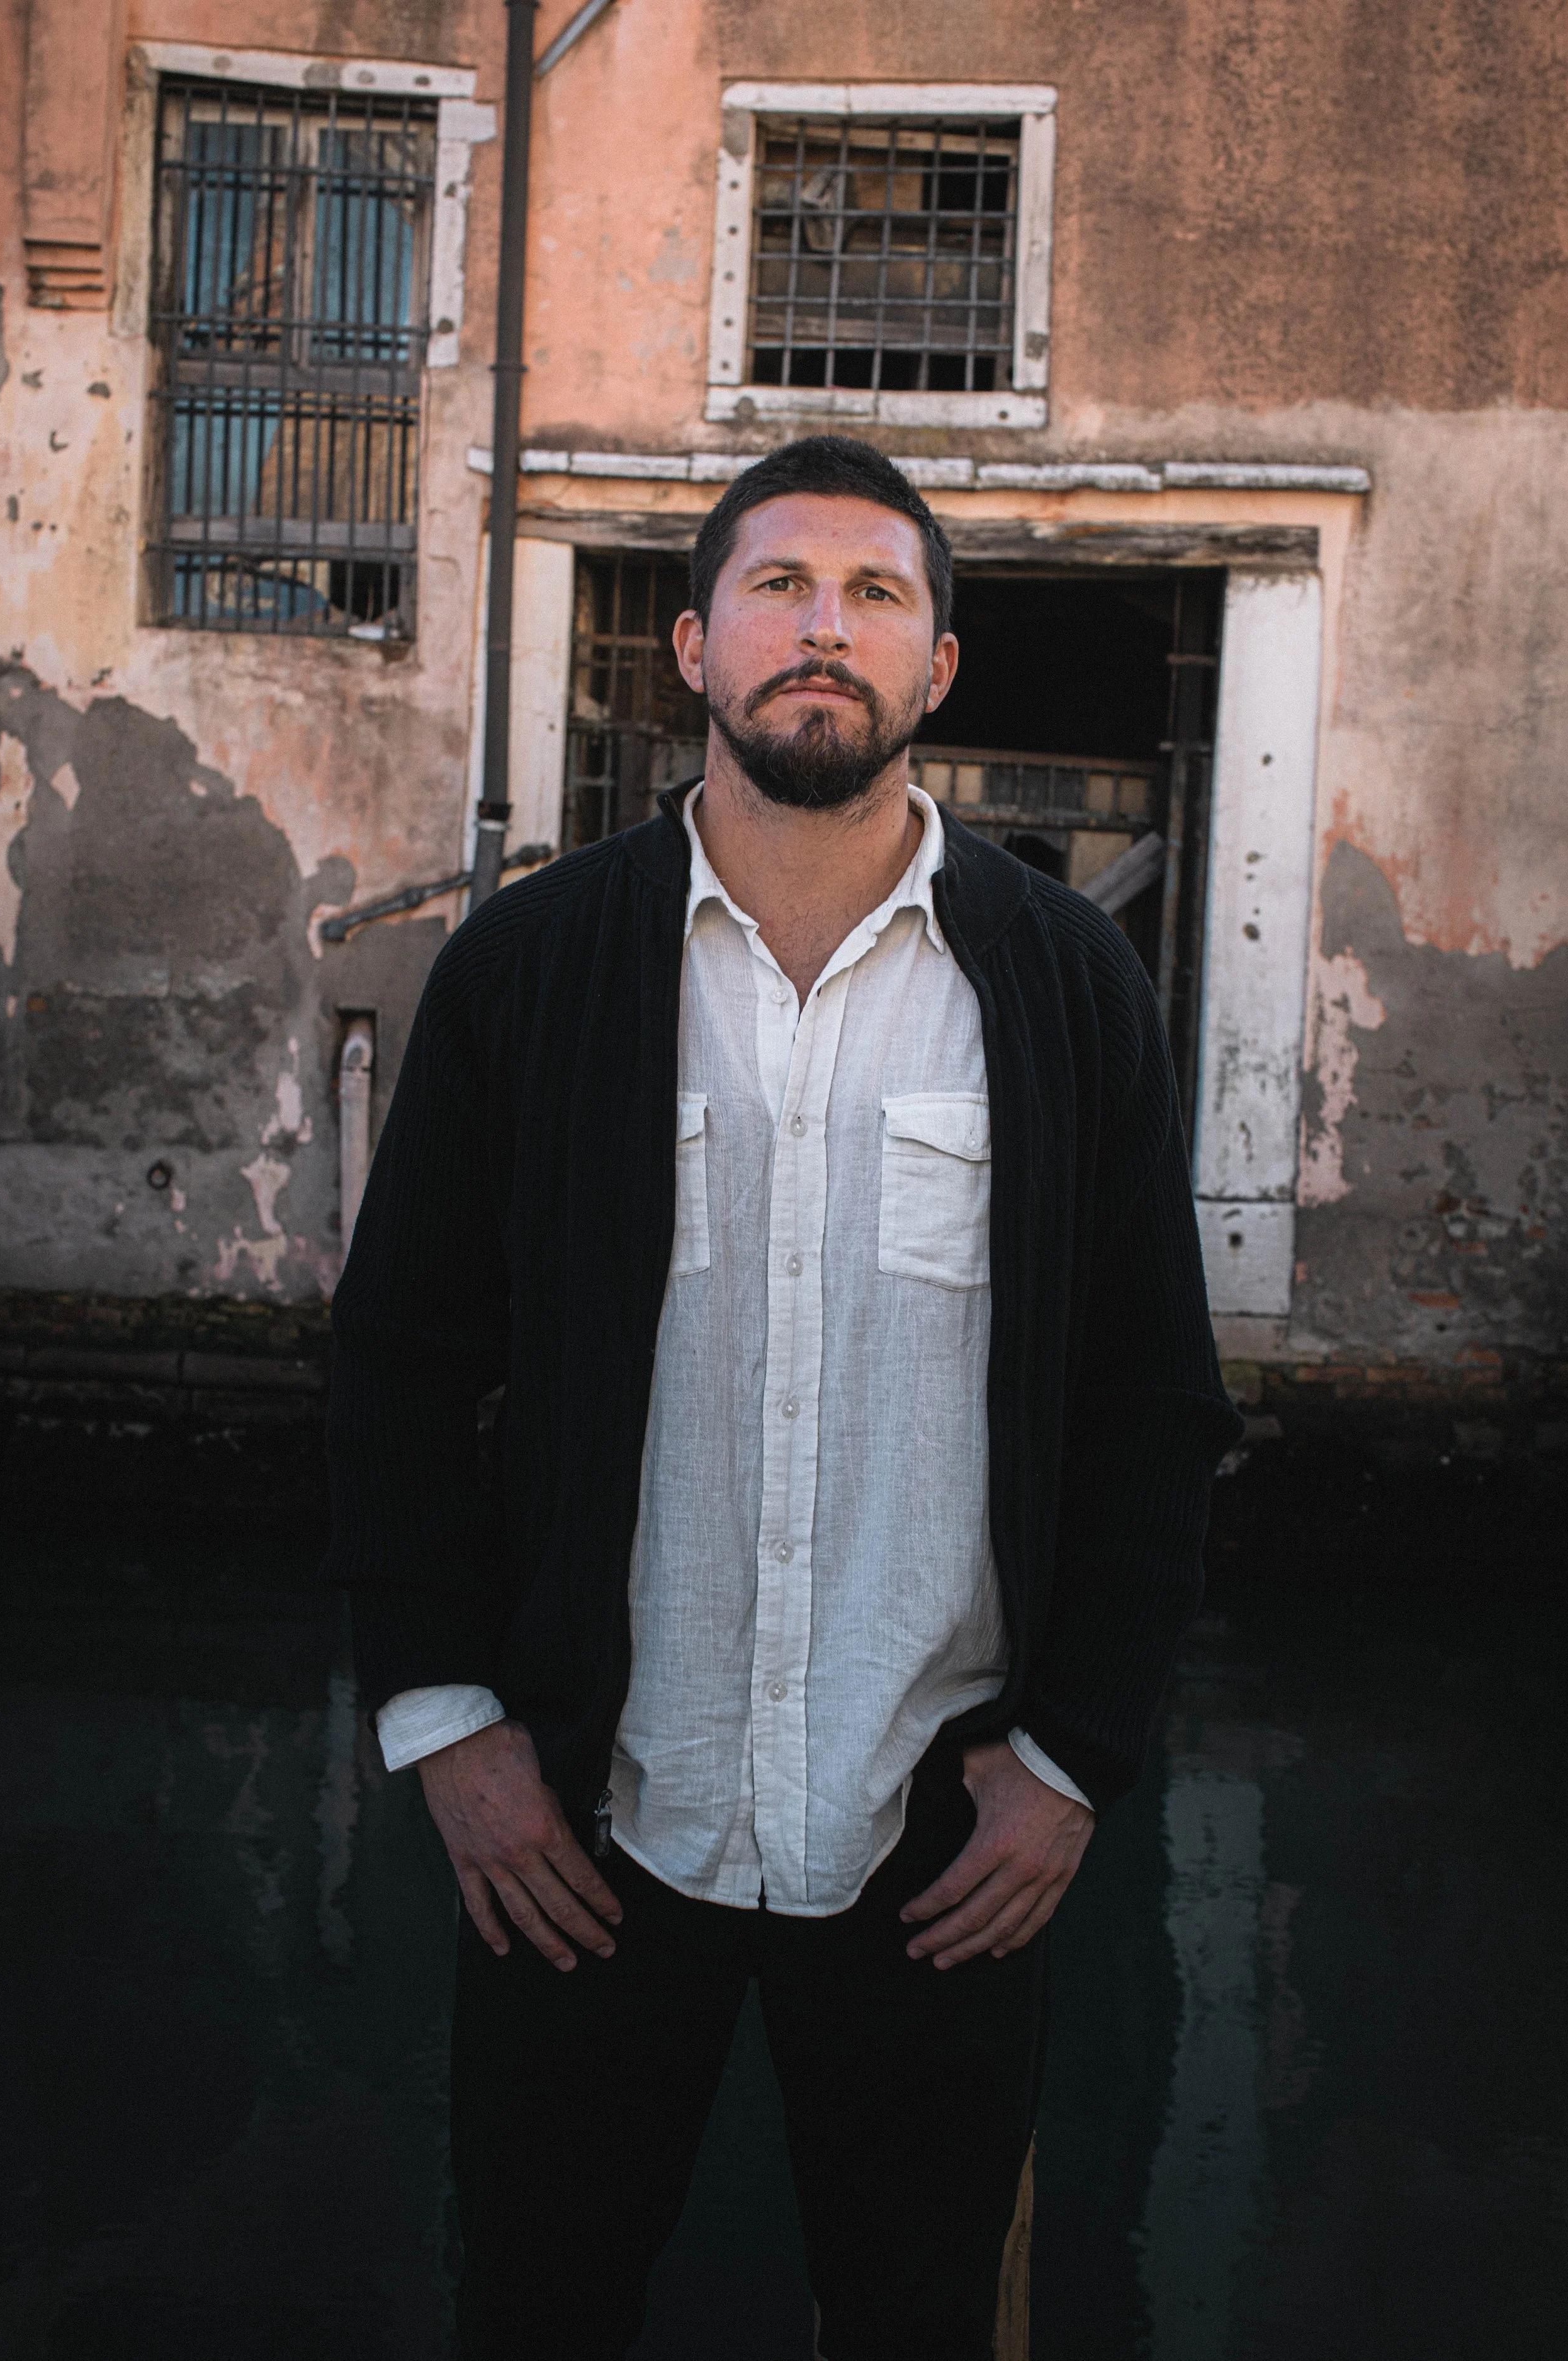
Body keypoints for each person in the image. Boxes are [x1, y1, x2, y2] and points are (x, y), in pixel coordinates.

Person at [325, 434, 1241, 2359]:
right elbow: (402, 1368)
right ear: (690, 646)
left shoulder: (1066, 986)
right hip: (583, 1821)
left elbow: (1152, 1403)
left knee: (913, 2314)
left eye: (876, 595)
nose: (823, 629)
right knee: (540, 2303)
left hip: (933, 1837)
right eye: (778, 588)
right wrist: (450, 1727)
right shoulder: (529, 968)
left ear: (937, 672)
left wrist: (1070, 1761)